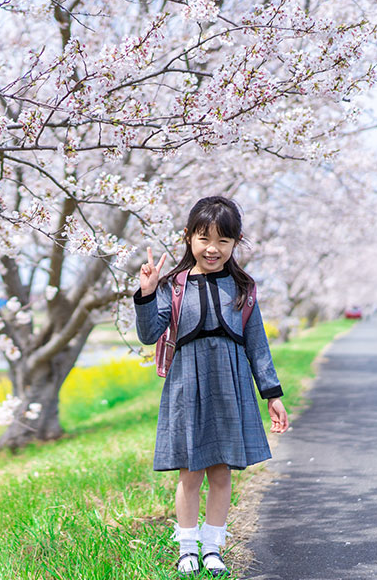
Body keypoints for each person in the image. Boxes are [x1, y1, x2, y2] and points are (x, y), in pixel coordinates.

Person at [133, 196, 289, 578]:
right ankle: (187, 545)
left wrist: (272, 394)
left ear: (236, 242)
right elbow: (149, 333)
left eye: (223, 240)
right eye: (204, 239)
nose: (213, 249)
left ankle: (213, 545)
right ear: (188, 238)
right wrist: (148, 293)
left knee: (221, 472)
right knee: (190, 470)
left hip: (231, 383)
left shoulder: (243, 287)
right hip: (187, 384)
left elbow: (257, 344)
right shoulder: (174, 286)